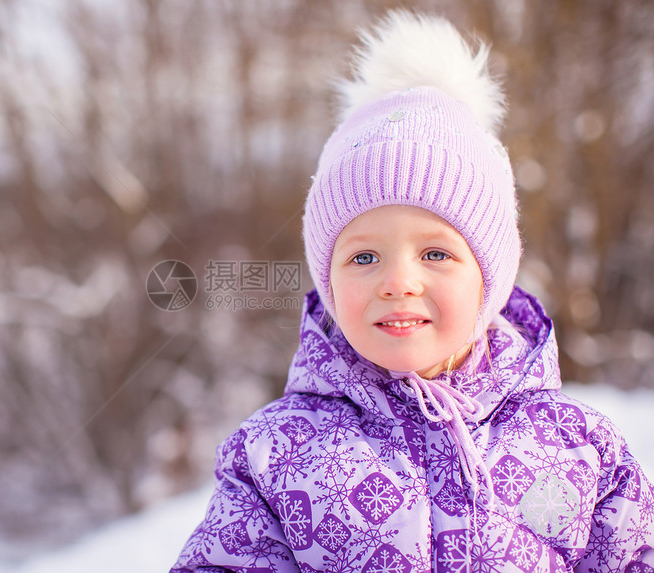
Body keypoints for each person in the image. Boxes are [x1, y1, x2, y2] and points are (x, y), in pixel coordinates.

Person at [171, 10, 654, 573]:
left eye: (435, 254)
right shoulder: (275, 458)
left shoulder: (578, 449)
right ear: (329, 283)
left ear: (489, 280)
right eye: (365, 257)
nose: (398, 281)